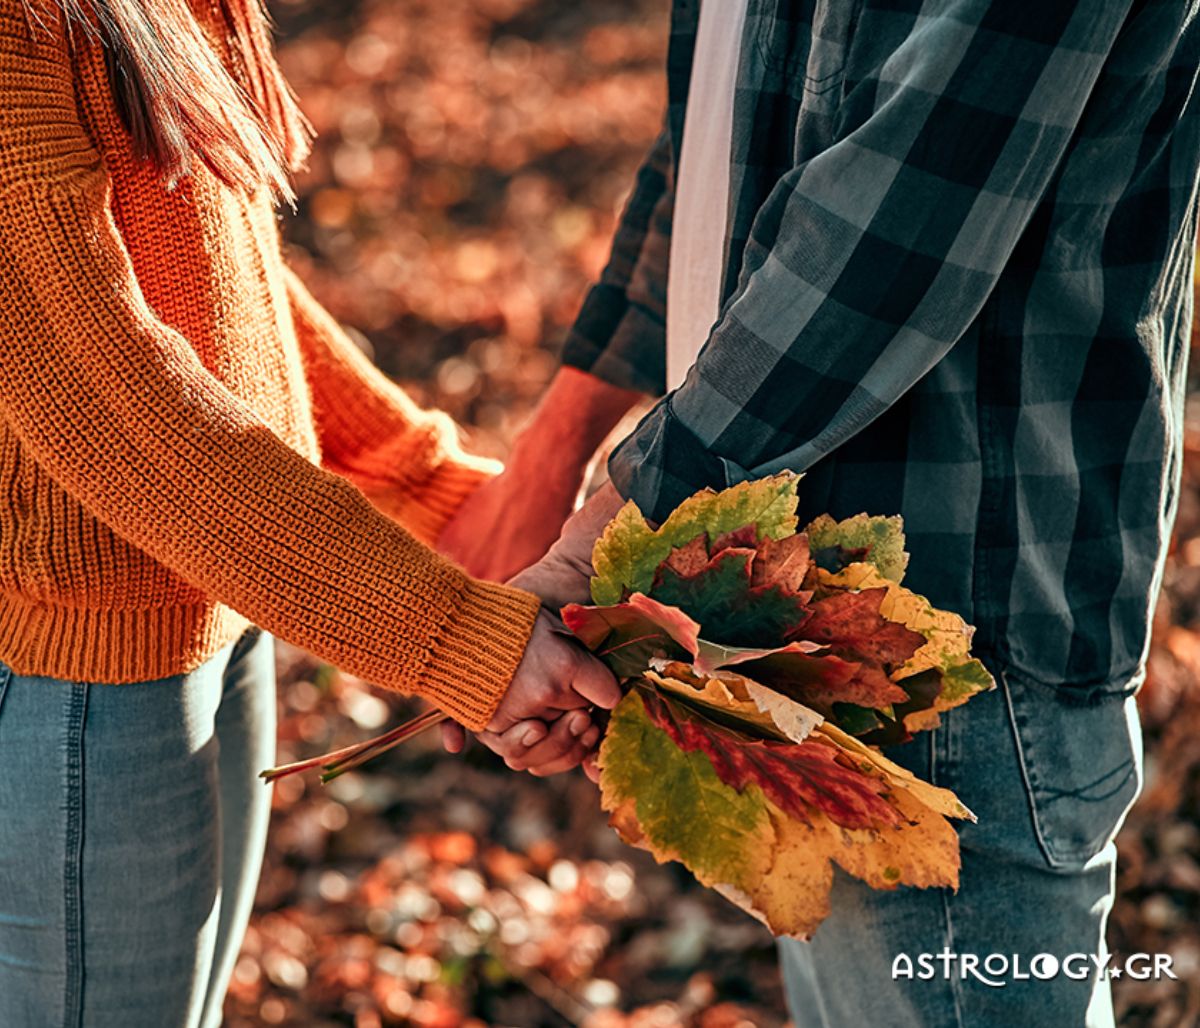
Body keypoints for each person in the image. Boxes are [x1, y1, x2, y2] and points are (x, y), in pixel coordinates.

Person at [442, 1, 1200, 1024]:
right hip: (760, 620)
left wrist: (594, 539)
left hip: (946, 656)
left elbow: (906, 206)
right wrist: (555, 458)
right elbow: (719, 146)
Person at [0, 3, 619, 1026]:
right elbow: (111, 398)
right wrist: (461, 639)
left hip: (217, 602)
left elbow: (209, 275)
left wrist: (426, 485)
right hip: (82, 678)